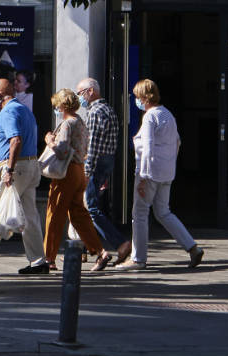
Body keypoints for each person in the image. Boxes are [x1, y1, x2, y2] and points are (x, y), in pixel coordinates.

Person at [130, 79, 203, 270]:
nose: (136, 101)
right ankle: (192, 246)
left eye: (137, 97)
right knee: (163, 212)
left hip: (150, 171)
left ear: (145, 98)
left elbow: (147, 147)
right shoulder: (168, 114)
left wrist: (143, 177)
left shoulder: (149, 117)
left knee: (139, 213)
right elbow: (177, 142)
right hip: (166, 172)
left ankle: (138, 258)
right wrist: (169, 163)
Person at [41, 88, 115, 272]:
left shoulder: (67, 124)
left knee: (54, 214)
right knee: (79, 215)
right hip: (79, 171)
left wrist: (50, 140)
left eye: (57, 105)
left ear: (62, 105)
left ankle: (48, 258)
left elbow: (62, 151)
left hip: (65, 173)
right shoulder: (80, 122)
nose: (56, 109)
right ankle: (100, 251)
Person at [0, 76, 47, 271]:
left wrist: (9, 170)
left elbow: (16, 140)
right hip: (29, 166)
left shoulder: (8, 112)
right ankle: (38, 261)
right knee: (30, 216)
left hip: (15, 168)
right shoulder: (24, 110)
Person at [76, 77, 130, 263]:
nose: (79, 97)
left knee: (90, 207)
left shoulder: (95, 112)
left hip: (97, 163)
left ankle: (120, 243)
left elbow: (93, 145)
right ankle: (85, 248)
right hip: (106, 161)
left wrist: (87, 170)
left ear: (91, 91)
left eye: (80, 93)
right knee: (89, 206)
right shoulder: (108, 109)